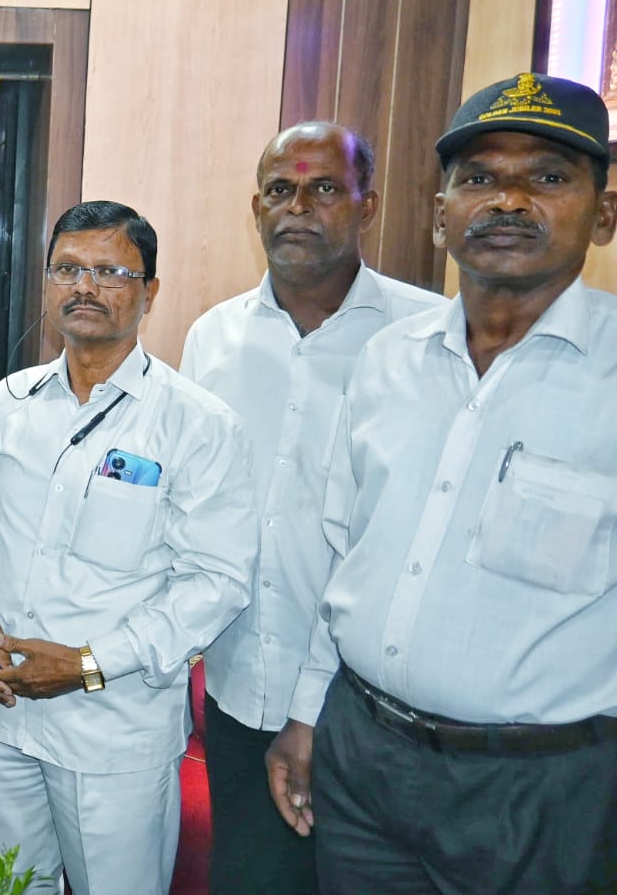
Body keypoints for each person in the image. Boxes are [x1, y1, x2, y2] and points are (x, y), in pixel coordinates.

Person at [273, 74, 617, 893]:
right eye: (478, 178)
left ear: (604, 213)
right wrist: (305, 714)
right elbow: (344, 553)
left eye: (548, 177)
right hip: (362, 760)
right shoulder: (387, 359)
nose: (507, 200)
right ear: (438, 214)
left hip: (539, 789)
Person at [0, 201, 257, 895]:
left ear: (149, 291)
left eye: (110, 271)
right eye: (68, 269)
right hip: (4, 719)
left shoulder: (196, 424)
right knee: (4, 889)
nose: (84, 287)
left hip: (114, 731)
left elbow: (216, 582)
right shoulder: (10, 403)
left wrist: (89, 664)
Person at [180, 122, 441, 894]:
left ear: (367, 204)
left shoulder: (426, 337)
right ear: (255, 207)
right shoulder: (214, 337)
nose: (299, 207)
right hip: (237, 688)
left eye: (324, 188)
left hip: (373, 709)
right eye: (281, 190)